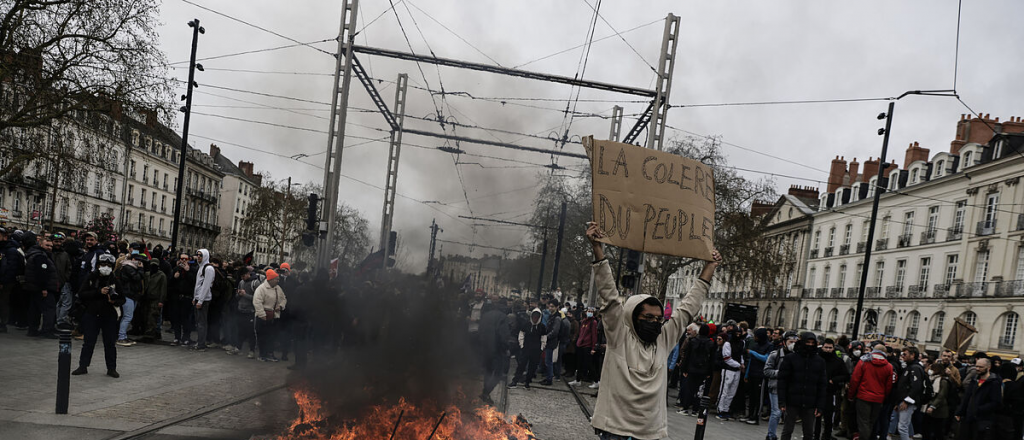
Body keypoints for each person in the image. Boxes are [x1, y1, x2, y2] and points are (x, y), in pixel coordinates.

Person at [585, 222, 720, 440]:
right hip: (616, 431)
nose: (655, 322)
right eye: (648, 317)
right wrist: (597, 249)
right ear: (632, 316)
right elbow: (609, 297)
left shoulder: (663, 340)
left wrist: (709, 267)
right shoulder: (620, 337)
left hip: (651, 433)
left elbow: (687, 309)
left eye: (659, 319)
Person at [72, 254, 124, 378]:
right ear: (98, 265)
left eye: (108, 266)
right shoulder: (91, 277)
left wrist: (114, 301)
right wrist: (98, 292)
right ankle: (83, 366)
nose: (105, 267)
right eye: (103, 265)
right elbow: (82, 293)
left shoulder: (115, 280)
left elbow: (123, 299)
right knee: (88, 342)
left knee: (110, 343)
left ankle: (111, 368)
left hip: (109, 316)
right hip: (92, 314)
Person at [777, 332, 828, 440]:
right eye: (807, 342)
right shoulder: (791, 358)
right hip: (792, 400)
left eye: (812, 343)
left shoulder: (820, 361)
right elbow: (782, 380)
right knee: (788, 429)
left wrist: (820, 405)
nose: (809, 345)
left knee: (809, 432)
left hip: (810, 402)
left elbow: (822, 385)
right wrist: (782, 400)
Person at [848, 344, 895, 440]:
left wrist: (851, 395)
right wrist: (883, 396)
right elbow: (889, 385)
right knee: (871, 422)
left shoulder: (863, 362)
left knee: (863, 421)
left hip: (863, 396)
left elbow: (855, 380)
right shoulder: (889, 366)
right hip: (878, 398)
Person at [764, 331, 799, 440]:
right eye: (790, 342)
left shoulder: (797, 357)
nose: (792, 344)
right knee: (776, 412)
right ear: (784, 342)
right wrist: (781, 372)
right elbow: (767, 371)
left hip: (790, 389)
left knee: (788, 414)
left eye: (795, 342)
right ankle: (771, 435)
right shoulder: (775, 355)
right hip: (776, 387)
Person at [955, 357, 1000, 440]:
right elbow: (967, 397)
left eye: (981, 367)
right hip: (968, 418)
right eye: (977, 366)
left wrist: (978, 409)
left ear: (988, 367)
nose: (977, 369)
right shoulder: (974, 380)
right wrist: (960, 411)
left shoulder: (994, 383)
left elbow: (995, 402)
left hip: (982, 420)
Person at [24, 233, 59, 338]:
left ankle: (33, 330)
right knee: (49, 309)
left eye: (51, 246)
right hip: (42, 288)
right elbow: (41, 273)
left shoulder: (35, 254)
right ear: (40, 245)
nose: (49, 248)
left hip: (35, 288)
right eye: (47, 245)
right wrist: (44, 288)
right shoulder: (41, 256)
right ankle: (47, 331)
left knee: (35, 309)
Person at [478, 298, 511, 405]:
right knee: (498, 373)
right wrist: (506, 348)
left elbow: (480, 330)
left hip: (485, 348)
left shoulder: (486, 315)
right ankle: (486, 392)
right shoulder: (503, 317)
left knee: (488, 371)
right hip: (497, 349)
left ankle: (485, 392)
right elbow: (503, 335)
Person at [817, 338, 850, 440]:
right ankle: (815, 435)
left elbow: (846, 375)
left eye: (830, 348)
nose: (827, 350)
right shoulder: (816, 358)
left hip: (830, 392)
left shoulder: (838, 361)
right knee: (816, 417)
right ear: (822, 347)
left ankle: (826, 435)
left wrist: (834, 380)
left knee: (828, 416)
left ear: (833, 348)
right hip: (817, 391)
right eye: (826, 347)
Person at [891, 347, 926, 440]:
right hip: (903, 400)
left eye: (905, 354)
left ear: (912, 355)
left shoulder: (915, 368)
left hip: (908, 402)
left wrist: (907, 401)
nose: (902, 356)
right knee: (905, 424)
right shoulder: (909, 367)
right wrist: (897, 402)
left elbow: (916, 386)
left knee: (902, 427)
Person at [679, 323, 715, 415]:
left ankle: (685, 407)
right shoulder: (711, 343)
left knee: (689, 388)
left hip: (691, 368)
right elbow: (712, 359)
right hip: (703, 369)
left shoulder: (693, 341)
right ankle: (696, 409)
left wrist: (684, 369)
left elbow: (687, 356)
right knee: (700, 391)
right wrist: (709, 372)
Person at [252, 268, 286, 362]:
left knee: (272, 336)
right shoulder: (261, 289)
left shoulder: (278, 288)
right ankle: (262, 354)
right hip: (263, 316)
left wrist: (281, 306)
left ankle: (270, 353)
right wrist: (262, 314)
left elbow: (284, 299)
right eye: (276, 279)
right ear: (270, 279)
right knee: (263, 336)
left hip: (274, 316)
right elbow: (257, 302)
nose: (278, 281)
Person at [509, 308, 546, 390]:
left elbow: (544, 338)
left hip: (536, 351)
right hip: (526, 349)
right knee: (521, 366)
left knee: (532, 368)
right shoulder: (527, 324)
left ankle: (527, 382)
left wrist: (541, 348)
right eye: (534, 317)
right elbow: (521, 335)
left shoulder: (542, 327)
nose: (535, 319)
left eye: (537, 317)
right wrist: (522, 345)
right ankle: (515, 381)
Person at [114, 252, 144, 347]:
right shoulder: (128, 267)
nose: (139, 262)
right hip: (128, 295)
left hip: (131, 295)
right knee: (127, 317)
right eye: (137, 260)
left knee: (126, 316)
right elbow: (136, 278)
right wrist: (140, 269)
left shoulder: (127, 267)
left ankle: (122, 335)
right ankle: (121, 337)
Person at [745, 327, 772, 425]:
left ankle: (755, 416)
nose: (755, 338)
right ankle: (750, 414)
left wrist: (752, 352)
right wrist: (747, 374)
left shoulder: (769, 346)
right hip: (752, 373)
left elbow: (766, 359)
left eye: (756, 336)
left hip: (760, 375)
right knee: (751, 396)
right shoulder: (756, 345)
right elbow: (751, 360)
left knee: (758, 397)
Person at [920, 361, 953, 440]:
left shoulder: (943, 381)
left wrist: (933, 406)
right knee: (926, 428)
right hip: (929, 406)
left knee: (937, 430)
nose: (930, 370)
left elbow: (941, 395)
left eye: (932, 369)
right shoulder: (931, 379)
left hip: (939, 409)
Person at [716, 331, 744, 420]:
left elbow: (741, 355)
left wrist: (741, 363)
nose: (738, 335)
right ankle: (720, 409)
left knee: (732, 392)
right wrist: (739, 365)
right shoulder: (728, 344)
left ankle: (726, 409)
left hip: (737, 370)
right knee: (724, 390)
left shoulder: (741, 343)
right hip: (728, 369)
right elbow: (727, 358)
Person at [192, 249, 216, 351]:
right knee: (198, 322)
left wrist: (201, 300)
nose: (198, 257)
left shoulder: (209, 268)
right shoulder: (201, 267)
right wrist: (195, 298)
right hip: (198, 298)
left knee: (202, 323)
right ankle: (200, 341)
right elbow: (198, 284)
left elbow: (206, 286)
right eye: (197, 255)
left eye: (201, 255)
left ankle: (201, 343)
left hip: (204, 299)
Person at [139, 257, 166, 342]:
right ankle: (147, 333)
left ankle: (150, 335)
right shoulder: (147, 274)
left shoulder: (161, 275)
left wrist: (161, 301)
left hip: (155, 299)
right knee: (145, 316)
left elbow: (163, 289)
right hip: (146, 298)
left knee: (152, 317)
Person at [570, 306, 599, 386]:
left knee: (589, 364)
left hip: (587, 346)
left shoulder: (593, 322)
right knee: (579, 363)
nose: (589, 312)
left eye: (591, 311)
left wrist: (593, 348)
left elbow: (594, 336)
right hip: (580, 345)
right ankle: (578, 380)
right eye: (588, 311)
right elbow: (581, 333)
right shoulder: (583, 321)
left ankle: (596, 381)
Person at [541, 299, 563, 386]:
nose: (550, 308)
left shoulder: (557, 318)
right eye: (550, 306)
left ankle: (549, 378)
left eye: (552, 306)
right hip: (549, 340)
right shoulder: (551, 316)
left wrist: (547, 337)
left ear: (557, 307)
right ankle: (548, 377)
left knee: (548, 361)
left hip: (551, 342)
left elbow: (555, 331)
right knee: (547, 360)